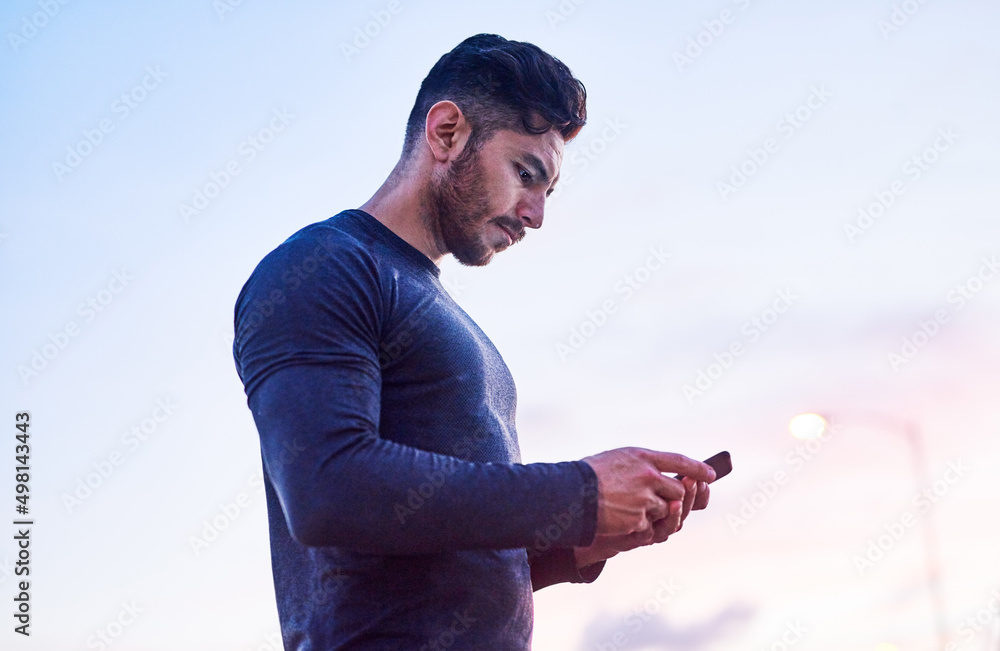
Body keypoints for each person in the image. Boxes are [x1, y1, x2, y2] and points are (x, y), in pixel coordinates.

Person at [232, 33, 716, 650]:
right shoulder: (325, 267)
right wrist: (580, 493)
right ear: (447, 132)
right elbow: (328, 488)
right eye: (525, 174)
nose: (536, 213)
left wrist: (575, 542)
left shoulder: (456, 324)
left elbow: (430, 568)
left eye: (547, 190)